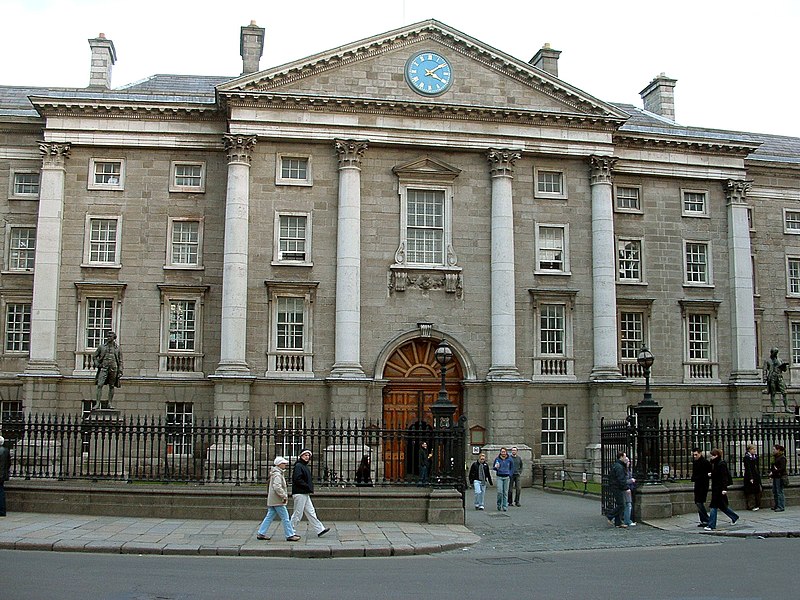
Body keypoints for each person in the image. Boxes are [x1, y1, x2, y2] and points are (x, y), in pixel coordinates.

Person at [256, 456, 300, 541]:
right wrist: (284, 495)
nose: (285, 465)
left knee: (269, 516)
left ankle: (261, 533)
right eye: (284, 463)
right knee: (285, 518)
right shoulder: (277, 474)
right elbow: (277, 487)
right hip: (277, 500)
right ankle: (290, 535)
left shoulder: (276, 472)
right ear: (279, 464)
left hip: (273, 499)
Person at [290, 449, 330, 537]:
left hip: (304, 492)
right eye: (305, 455)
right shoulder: (298, 466)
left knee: (311, 512)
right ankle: (290, 531)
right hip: (300, 492)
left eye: (308, 455)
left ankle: (320, 529)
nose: (307, 457)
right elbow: (297, 479)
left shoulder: (303, 466)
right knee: (298, 513)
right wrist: (307, 486)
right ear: (301, 456)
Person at [705, 448, 740, 531]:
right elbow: (716, 474)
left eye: (712, 455)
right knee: (722, 506)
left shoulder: (721, 464)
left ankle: (711, 525)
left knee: (713, 506)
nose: (711, 457)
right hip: (716, 488)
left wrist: (724, 489)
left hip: (719, 488)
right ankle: (734, 517)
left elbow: (724, 477)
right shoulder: (715, 463)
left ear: (716, 455)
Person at [92, 330, 122, 409]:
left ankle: (110, 403)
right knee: (99, 385)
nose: (108, 338)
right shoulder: (102, 347)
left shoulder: (117, 348)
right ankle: (97, 403)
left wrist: (120, 370)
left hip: (113, 368)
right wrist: (97, 364)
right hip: (104, 368)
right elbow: (94, 356)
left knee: (111, 386)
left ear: (114, 338)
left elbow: (120, 360)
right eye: (108, 336)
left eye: (110, 336)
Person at [605, 451, 630, 528]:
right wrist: (626, 488)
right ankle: (610, 515)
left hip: (615, 486)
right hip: (616, 487)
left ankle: (618, 522)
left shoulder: (617, 465)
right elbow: (621, 479)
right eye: (625, 456)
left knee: (620, 504)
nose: (625, 458)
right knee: (621, 505)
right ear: (621, 457)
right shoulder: (619, 466)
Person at [763, 347, 789, 412]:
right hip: (772, 378)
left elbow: (784, 370)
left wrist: (784, 366)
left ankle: (786, 408)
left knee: (784, 392)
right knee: (773, 393)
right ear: (772, 353)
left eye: (776, 353)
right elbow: (765, 370)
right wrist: (765, 378)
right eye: (774, 353)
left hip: (779, 377)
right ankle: (774, 408)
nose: (775, 354)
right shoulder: (767, 361)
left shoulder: (780, 360)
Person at [691, 448, 711, 527]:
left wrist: (697, 477)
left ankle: (706, 519)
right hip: (697, 485)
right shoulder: (695, 462)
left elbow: (708, 474)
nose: (695, 456)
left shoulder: (705, 462)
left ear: (700, 453)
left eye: (696, 454)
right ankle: (703, 520)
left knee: (699, 502)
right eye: (694, 455)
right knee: (698, 502)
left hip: (703, 485)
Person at [742, 444, 762, 511]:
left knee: (757, 491)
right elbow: (748, 468)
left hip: (756, 476)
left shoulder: (755, 457)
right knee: (751, 492)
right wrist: (750, 477)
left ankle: (757, 504)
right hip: (749, 476)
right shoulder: (747, 458)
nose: (754, 450)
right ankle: (751, 506)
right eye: (753, 449)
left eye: (755, 449)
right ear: (749, 450)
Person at [493, 447, 513, 511]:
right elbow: (494, 467)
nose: (503, 453)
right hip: (499, 476)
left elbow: (512, 468)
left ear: (506, 452)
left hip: (506, 477)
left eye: (504, 452)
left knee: (505, 492)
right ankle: (499, 504)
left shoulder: (509, 459)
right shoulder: (497, 459)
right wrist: (496, 467)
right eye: (502, 452)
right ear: (500, 452)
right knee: (500, 492)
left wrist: (510, 474)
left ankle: (505, 506)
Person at [769, 444, 787, 512]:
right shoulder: (775, 457)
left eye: (774, 449)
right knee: (775, 491)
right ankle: (776, 505)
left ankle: (781, 506)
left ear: (778, 450)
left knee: (779, 492)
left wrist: (774, 472)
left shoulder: (782, 458)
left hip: (780, 476)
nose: (773, 451)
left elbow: (782, 468)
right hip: (775, 476)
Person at [623, 457, 637, 527]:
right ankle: (628, 521)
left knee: (627, 505)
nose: (629, 463)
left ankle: (627, 520)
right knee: (628, 505)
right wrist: (632, 480)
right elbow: (624, 481)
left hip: (628, 489)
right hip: (626, 489)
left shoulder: (627, 470)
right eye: (628, 461)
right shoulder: (624, 470)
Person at [0, 435, 9, 517]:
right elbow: (8, 464)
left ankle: (1, 510)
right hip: (2, 475)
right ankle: (2, 510)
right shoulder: (6, 451)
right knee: (1, 491)